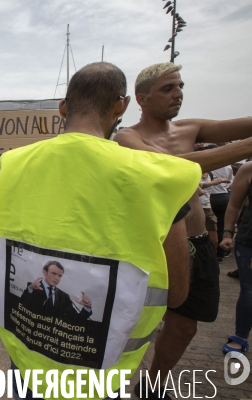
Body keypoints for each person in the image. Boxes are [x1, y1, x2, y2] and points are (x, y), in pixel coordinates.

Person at [0, 62, 199, 399]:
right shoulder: (156, 178)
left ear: (63, 107)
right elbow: (176, 293)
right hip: (98, 372)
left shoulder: (15, 164)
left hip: (27, 358)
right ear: (122, 106)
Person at [114, 62, 252, 398]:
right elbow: (170, 169)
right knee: (124, 323)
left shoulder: (192, 128)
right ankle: (111, 383)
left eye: (180, 86)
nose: (178, 94)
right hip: (150, 247)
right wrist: (245, 148)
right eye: (168, 88)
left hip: (196, 241)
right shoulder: (127, 137)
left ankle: (153, 385)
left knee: (185, 326)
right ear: (141, 98)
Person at [219, 161, 252, 355]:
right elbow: (234, 205)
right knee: (249, 290)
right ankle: (240, 336)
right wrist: (227, 234)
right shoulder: (249, 168)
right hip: (250, 240)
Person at [20, 261, 92, 322]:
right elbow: (22, 306)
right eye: (54, 274)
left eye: (59, 276)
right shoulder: (32, 288)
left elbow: (75, 321)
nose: (57, 278)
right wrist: (30, 289)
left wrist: (87, 307)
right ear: (45, 272)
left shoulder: (64, 297)